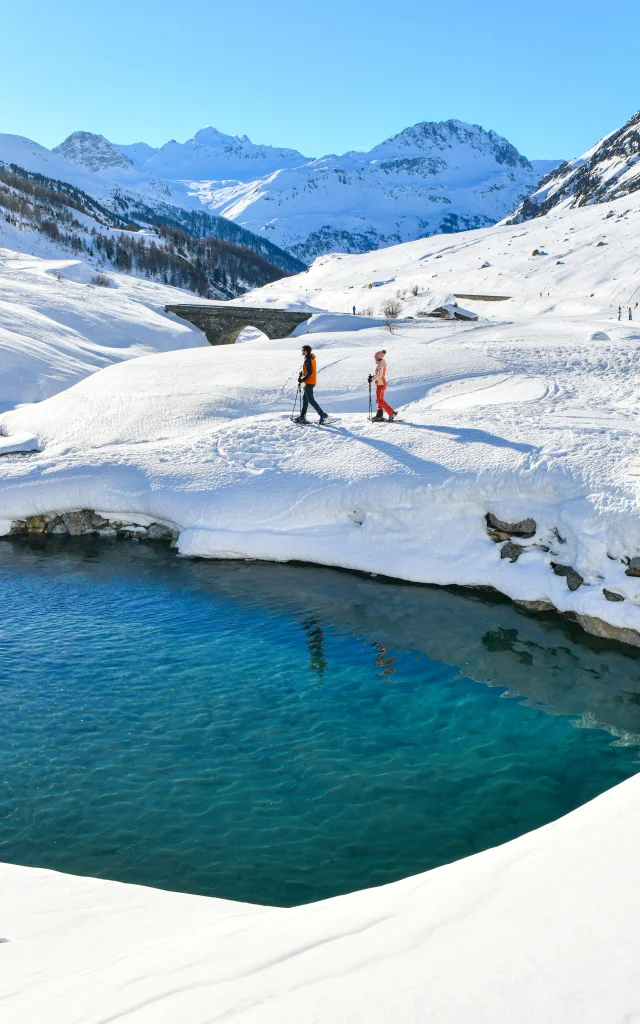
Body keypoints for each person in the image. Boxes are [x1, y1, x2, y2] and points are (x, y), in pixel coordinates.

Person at [295, 344, 327, 424]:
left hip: (309, 382)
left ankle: (322, 414)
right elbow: (308, 370)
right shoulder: (311, 358)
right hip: (311, 381)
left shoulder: (308, 359)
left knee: (310, 399)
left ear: (306, 351)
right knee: (305, 400)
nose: (302, 351)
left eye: (303, 350)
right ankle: (302, 416)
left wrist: (302, 379)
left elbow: (309, 372)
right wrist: (302, 374)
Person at [369, 349, 396, 421]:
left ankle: (392, 412)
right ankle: (379, 415)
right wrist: (373, 377)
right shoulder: (380, 363)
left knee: (380, 400)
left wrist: (372, 379)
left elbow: (380, 375)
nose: (374, 357)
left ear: (379, 357)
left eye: (375, 356)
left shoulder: (381, 364)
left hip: (381, 384)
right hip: (379, 384)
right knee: (379, 400)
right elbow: (378, 375)